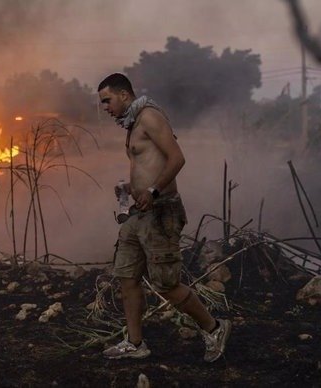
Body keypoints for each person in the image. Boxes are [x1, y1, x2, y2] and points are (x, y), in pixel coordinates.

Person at [98, 73, 231, 362]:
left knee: (166, 283)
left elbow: (177, 158)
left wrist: (154, 191)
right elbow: (147, 164)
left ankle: (215, 328)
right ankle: (135, 343)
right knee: (126, 276)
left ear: (124, 94)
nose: (105, 108)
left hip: (161, 211)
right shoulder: (132, 125)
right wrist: (129, 188)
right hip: (139, 214)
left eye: (107, 101)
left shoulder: (149, 117)